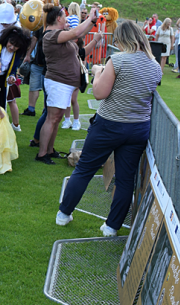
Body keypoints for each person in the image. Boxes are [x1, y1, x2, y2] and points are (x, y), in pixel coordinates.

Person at [57, 21, 162, 236]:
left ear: (122, 40)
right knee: (125, 179)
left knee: (85, 168)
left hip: (109, 125)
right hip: (137, 128)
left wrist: (97, 72)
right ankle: (112, 227)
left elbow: (99, 93)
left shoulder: (118, 60)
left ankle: (64, 214)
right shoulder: (155, 65)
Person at [36, 5, 99, 165]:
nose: (67, 19)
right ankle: (42, 153)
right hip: (58, 83)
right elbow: (76, 32)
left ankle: (50, 150)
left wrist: (92, 22)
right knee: (52, 118)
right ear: (58, 18)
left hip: (64, 83)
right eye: (64, 16)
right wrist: (90, 18)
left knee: (56, 119)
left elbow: (80, 34)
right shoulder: (51, 35)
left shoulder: (58, 35)